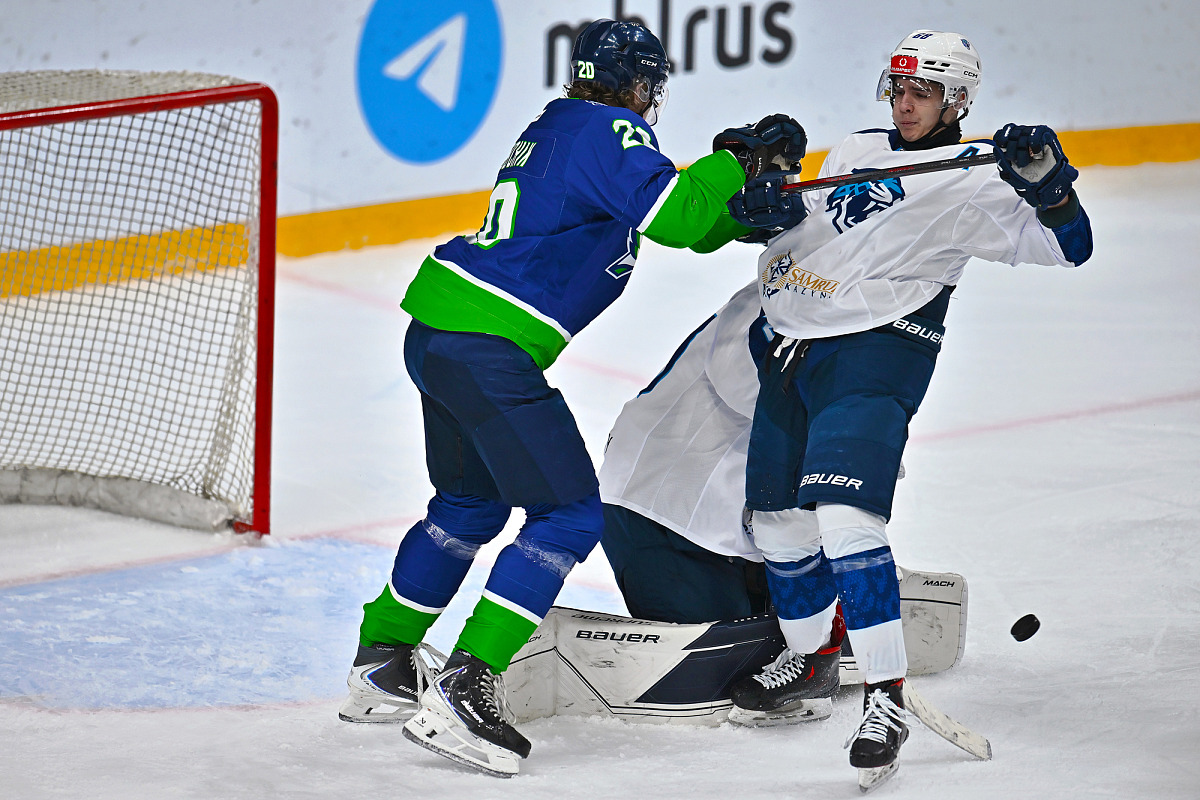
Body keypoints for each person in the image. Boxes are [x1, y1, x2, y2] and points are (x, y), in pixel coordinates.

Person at [615, 28, 1094, 789]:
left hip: (878, 353)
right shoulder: (855, 149)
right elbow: (814, 229)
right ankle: (811, 661)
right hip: (792, 348)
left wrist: (1050, 186)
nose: (906, 104)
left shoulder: (979, 179)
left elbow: (1072, 246)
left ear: (957, 100)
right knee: (778, 524)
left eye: (924, 92)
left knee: (845, 519)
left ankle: (884, 700)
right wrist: (768, 212)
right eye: (899, 88)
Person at [336, 18, 804, 778]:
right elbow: (679, 215)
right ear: (641, 85)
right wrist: (733, 160)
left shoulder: (564, 126)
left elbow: (685, 225)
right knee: (570, 514)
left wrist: (745, 212)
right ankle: (466, 683)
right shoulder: (611, 130)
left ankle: (382, 661)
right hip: (489, 348)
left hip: (441, 333)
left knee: (468, 507)